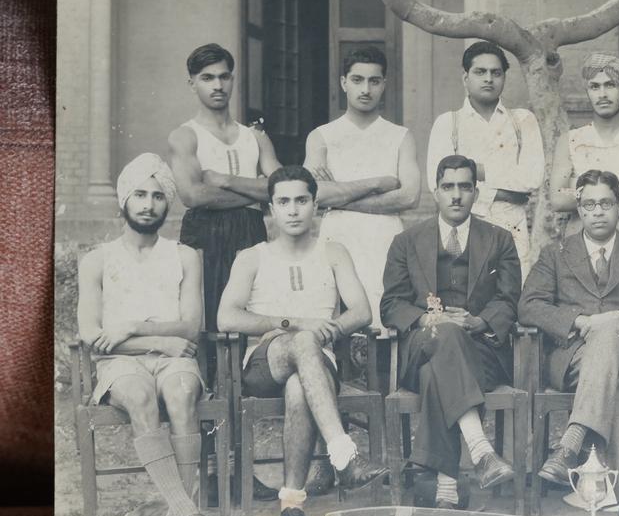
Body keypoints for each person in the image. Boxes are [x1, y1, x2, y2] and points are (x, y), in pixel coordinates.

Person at [218, 166, 389, 516]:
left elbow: (361, 311)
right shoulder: (252, 256)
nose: (293, 210)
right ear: (271, 208)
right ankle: (343, 453)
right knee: (301, 341)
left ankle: (291, 504)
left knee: (301, 384)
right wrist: (294, 324)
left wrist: (328, 331)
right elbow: (226, 317)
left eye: (301, 200)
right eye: (283, 201)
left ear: (315, 204)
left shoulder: (333, 252)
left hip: (317, 364)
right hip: (265, 362)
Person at [76, 154, 216, 516]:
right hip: (121, 365)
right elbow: (91, 334)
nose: (148, 204)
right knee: (139, 396)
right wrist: (159, 341)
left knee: (182, 392)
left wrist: (133, 328)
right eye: (139, 193)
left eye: (158, 196)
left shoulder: (184, 255)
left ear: (166, 205)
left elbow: (190, 327)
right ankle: (189, 514)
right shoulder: (98, 260)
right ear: (123, 199)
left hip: (173, 359)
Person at [519, 170, 619, 516]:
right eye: (589, 204)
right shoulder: (556, 253)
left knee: (610, 335)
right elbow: (529, 305)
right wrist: (577, 322)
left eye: (606, 203)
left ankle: (571, 441)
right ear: (579, 209)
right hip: (576, 356)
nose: (598, 211)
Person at [379, 155, 521, 509]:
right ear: (435, 191)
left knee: (436, 373)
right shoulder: (406, 242)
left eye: (464, 187)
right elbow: (391, 305)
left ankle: (446, 487)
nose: (456, 195)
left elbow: (509, 300)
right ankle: (481, 450)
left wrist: (477, 321)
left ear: (476, 192)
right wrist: (430, 320)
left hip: (480, 353)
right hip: (422, 344)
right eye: (448, 187)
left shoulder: (500, 239)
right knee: (444, 337)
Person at [168, 43, 281, 331]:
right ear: (191, 83)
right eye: (207, 78)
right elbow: (193, 195)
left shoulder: (255, 137)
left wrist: (226, 180)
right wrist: (256, 191)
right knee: (207, 318)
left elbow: (281, 188)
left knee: (250, 310)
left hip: (250, 230)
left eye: (224, 76)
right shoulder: (185, 136)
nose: (217, 85)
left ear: (232, 79)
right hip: (205, 231)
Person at [306, 45, 421, 329]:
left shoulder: (400, 136)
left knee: (383, 318)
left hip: (384, 236)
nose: (365, 89)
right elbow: (315, 194)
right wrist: (378, 183)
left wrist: (339, 195)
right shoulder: (322, 136)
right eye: (357, 80)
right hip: (337, 234)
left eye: (374, 81)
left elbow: (410, 196)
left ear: (384, 84)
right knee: (333, 314)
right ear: (343, 82)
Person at [425, 41, 544, 278]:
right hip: (462, 226)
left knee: (510, 300)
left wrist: (473, 171)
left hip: (513, 228)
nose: (488, 78)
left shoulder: (522, 121)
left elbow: (532, 178)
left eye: (496, 73)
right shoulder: (448, 123)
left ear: (504, 78)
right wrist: (508, 192)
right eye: (480, 72)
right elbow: (437, 184)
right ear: (465, 77)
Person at [549, 53, 619, 238]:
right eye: (594, 86)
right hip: (577, 244)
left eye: (610, 84)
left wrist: (578, 189)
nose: (602, 94)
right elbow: (558, 199)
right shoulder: (570, 141)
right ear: (587, 91)